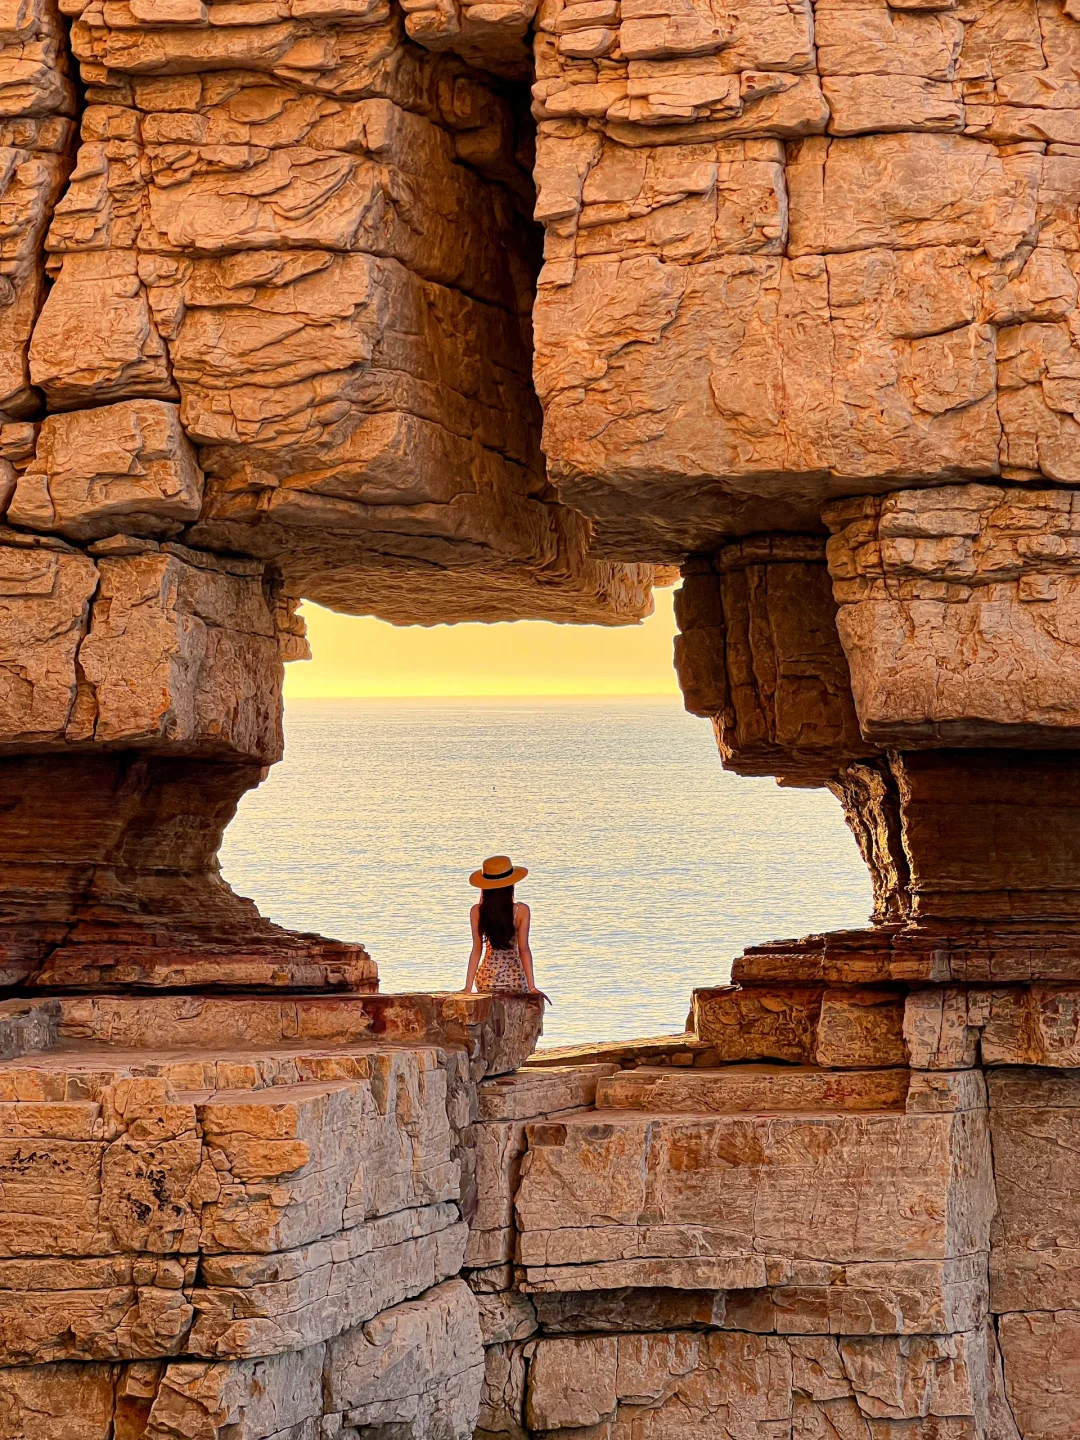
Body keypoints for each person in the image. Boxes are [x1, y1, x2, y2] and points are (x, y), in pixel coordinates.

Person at [462, 855, 547, 1000]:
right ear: (510, 885)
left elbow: (476, 949)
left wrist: (468, 987)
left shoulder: (477, 911)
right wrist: (532, 987)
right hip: (515, 980)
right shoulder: (521, 911)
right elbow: (523, 949)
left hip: (486, 980)